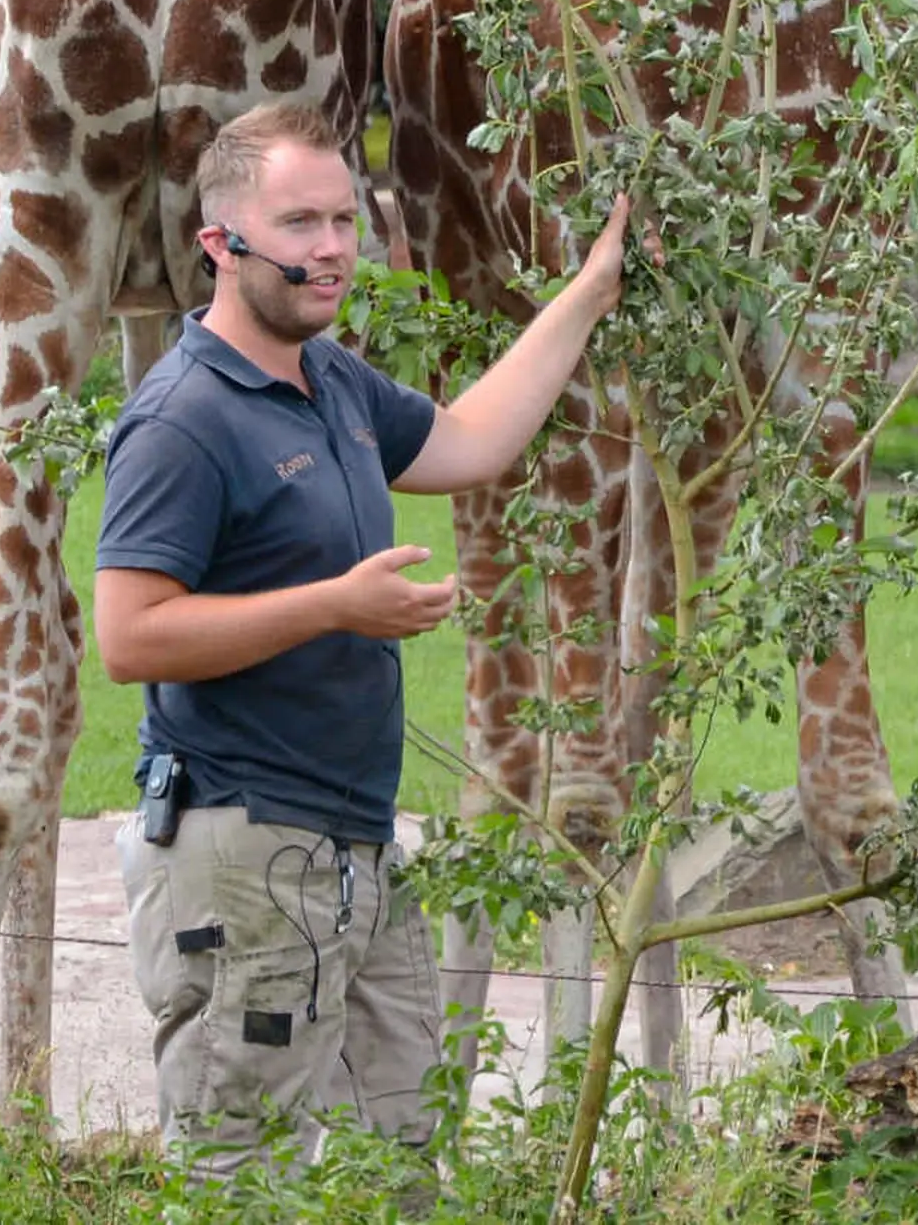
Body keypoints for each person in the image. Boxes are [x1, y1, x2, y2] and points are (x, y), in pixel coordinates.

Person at [94, 99, 629, 1177]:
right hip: (242, 850)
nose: (333, 248)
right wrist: (337, 605)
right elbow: (131, 635)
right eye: (300, 224)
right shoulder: (182, 420)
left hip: (355, 847)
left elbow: (472, 439)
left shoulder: (329, 380)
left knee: (402, 1155)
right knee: (240, 1173)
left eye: (346, 218)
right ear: (221, 243)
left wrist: (593, 290)